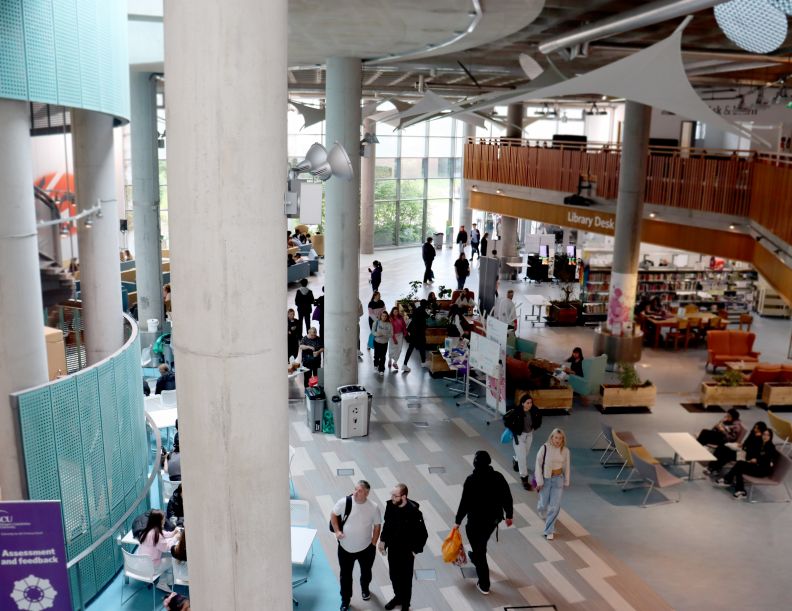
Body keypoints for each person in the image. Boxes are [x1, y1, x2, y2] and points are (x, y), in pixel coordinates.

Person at [454, 450, 513, 595]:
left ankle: (484, 584)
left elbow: (465, 503)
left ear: (475, 463)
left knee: (480, 551)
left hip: (475, 521)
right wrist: (509, 515)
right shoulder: (498, 477)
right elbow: (507, 497)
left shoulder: (471, 480)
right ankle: (475, 556)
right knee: (481, 543)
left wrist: (457, 521)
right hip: (493, 520)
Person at [330, 481, 382, 611]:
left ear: (366, 493)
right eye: (355, 489)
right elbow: (333, 514)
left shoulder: (373, 507)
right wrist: (337, 531)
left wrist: (373, 543)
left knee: (366, 572)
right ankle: (345, 600)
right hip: (345, 549)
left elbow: (377, 526)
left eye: (359, 491)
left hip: (366, 549)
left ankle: (365, 589)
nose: (355, 493)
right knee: (345, 576)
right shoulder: (344, 502)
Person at [378, 483, 429, 610]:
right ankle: (398, 597)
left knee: (406, 580)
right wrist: (383, 540)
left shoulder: (415, 513)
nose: (392, 498)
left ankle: (405, 605)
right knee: (393, 576)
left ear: (404, 497)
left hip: (407, 552)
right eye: (392, 495)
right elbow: (387, 525)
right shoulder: (390, 506)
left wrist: (415, 551)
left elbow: (423, 534)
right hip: (393, 549)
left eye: (395, 496)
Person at [717, 429, 779, 498]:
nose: (765, 436)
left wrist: (757, 460)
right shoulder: (760, 444)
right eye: (764, 434)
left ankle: (728, 480)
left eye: (768, 435)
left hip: (762, 470)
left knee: (740, 465)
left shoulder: (771, 447)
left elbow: (767, 461)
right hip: (756, 466)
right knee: (739, 466)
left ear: (771, 437)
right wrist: (751, 459)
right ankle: (739, 489)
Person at [535, 428, 571, 541]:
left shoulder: (565, 451)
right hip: (546, 479)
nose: (558, 440)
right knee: (543, 503)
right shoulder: (544, 448)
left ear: (562, 439)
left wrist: (566, 480)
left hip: (558, 480)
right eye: (556, 437)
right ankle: (541, 508)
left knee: (554, 507)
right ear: (551, 437)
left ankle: (549, 530)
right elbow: (538, 465)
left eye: (560, 438)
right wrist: (539, 481)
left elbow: (566, 467)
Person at [504, 394, 542, 490]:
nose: (530, 405)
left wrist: (535, 427)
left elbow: (539, 419)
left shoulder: (534, 410)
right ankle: (524, 478)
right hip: (519, 436)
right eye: (527, 403)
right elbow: (506, 420)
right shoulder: (516, 412)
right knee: (523, 458)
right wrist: (513, 430)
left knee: (525, 454)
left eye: (531, 402)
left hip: (529, 435)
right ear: (522, 403)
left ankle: (515, 459)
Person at [136, 510, 179, 591]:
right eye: (163, 519)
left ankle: (165, 580)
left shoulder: (146, 530)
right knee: (172, 559)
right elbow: (166, 548)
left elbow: (163, 533)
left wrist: (173, 533)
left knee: (164, 556)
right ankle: (164, 582)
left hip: (141, 564)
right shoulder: (156, 535)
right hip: (151, 567)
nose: (164, 521)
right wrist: (175, 538)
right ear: (158, 521)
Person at [402, 300, 428, 373]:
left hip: (413, 333)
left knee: (410, 349)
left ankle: (405, 364)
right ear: (425, 305)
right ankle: (423, 362)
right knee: (422, 347)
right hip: (420, 333)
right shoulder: (422, 311)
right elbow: (426, 317)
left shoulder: (416, 310)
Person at [372, 310, 393, 376]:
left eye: (385, 316)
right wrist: (377, 334)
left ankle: (381, 369)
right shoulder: (376, 322)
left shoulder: (389, 324)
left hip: (384, 343)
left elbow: (391, 334)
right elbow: (372, 332)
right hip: (377, 342)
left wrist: (385, 335)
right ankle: (376, 365)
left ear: (387, 317)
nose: (384, 317)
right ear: (380, 316)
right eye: (382, 316)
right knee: (376, 355)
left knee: (383, 356)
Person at [388, 307, 406, 371]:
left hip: (400, 335)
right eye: (394, 311)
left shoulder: (401, 318)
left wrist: (405, 333)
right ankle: (390, 360)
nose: (396, 313)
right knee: (392, 348)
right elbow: (390, 330)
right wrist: (394, 338)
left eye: (397, 311)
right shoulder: (390, 319)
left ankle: (395, 362)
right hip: (393, 335)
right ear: (392, 312)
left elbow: (404, 326)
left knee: (399, 349)